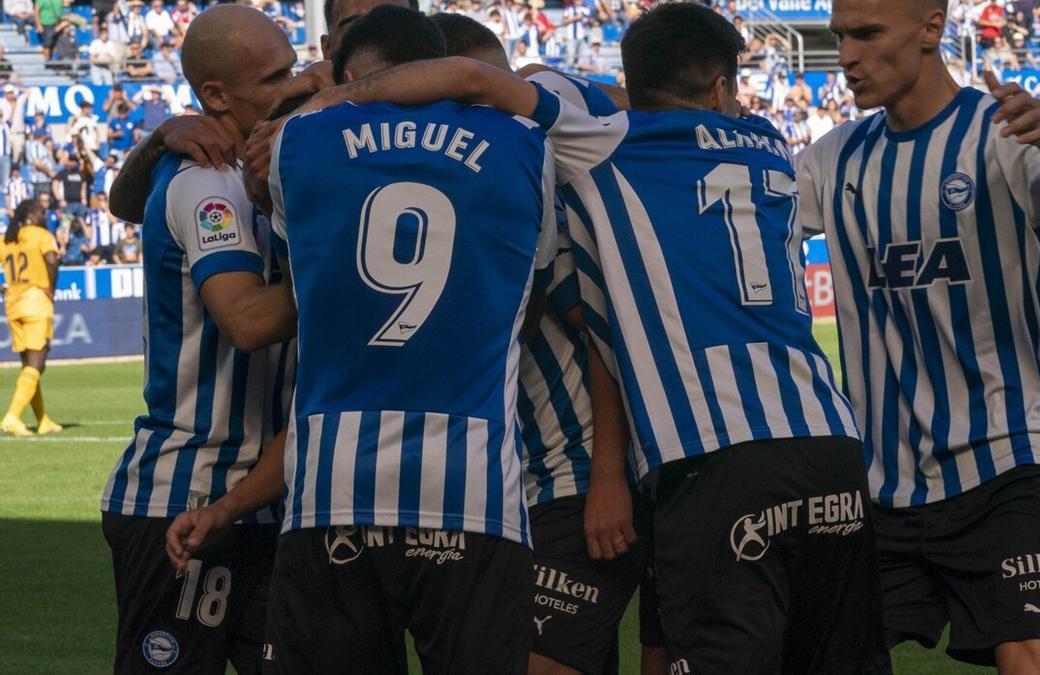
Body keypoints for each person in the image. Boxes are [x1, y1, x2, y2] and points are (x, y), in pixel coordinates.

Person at [300, 4, 888, 672]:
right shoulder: (768, 143)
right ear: (723, 89)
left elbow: (476, 78)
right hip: (833, 443)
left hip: (714, 451)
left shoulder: (614, 143)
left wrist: (334, 95)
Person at [172, 7, 554, 672]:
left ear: (346, 75)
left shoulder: (297, 144)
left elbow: (298, 256)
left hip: (331, 489)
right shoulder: (525, 142)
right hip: (473, 488)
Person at [794, 0, 1040, 672]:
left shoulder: (1002, 134)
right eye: (838, 38)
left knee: (1031, 657)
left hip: (1011, 459)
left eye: (865, 34)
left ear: (929, 27)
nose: (847, 56)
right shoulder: (833, 161)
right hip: (884, 480)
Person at [431, 13, 650, 675]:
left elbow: (606, 332)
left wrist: (606, 476)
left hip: (578, 476)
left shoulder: (532, 196)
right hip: (531, 487)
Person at [98, 6, 298, 673]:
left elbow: (125, 201)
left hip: (264, 501)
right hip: (182, 499)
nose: (290, 88)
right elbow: (246, 321)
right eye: (274, 78)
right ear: (215, 96)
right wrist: (363, 278)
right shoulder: (206, 179)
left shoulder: (261, 169)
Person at [0, 199, 62, 436]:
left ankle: (42, 419)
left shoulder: (9, 237)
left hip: (14, 305)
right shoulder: (41, 235)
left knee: (28, 365)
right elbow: (52, 260)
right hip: (35, 302)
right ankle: (12, 417)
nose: (45, 215)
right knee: (37, 364)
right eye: (42, 212)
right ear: (32, 214)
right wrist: (51, 289)